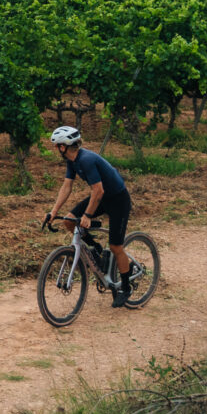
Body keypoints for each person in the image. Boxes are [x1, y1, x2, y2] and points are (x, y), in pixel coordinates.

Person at [43, 125, 140, 307]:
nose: (56, 149)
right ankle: (95, 248)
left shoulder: (86, 160)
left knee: (116, 246)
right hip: (102, 197)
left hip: (118, 200)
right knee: (69, 221)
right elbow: (67, 186)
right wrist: (53, 212)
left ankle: (126, 288)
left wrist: (87, 215)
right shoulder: (72, 161)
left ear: (63, 146)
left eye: (56, 146)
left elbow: (98, 190)